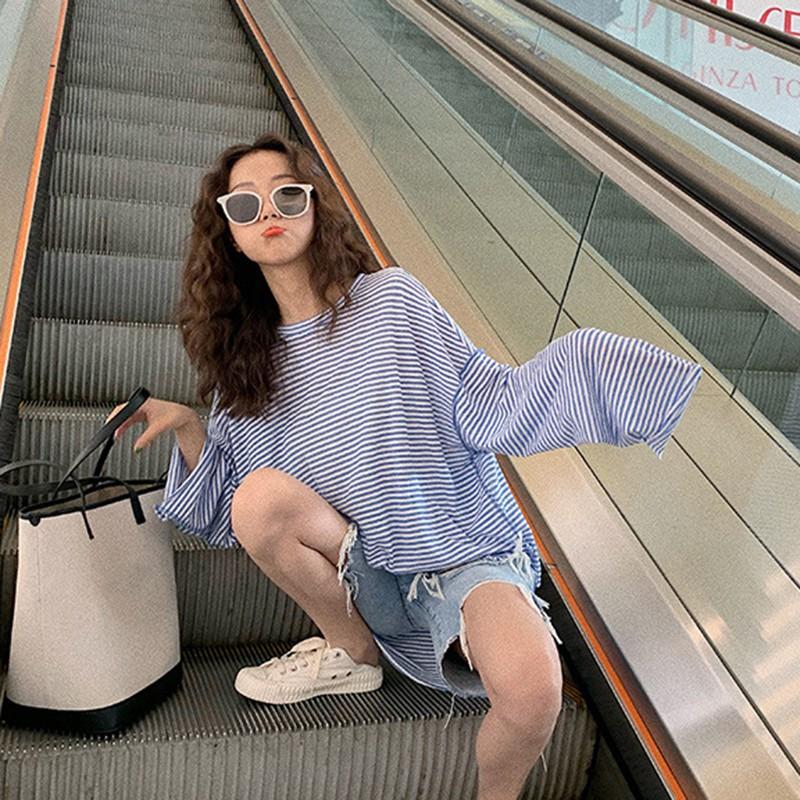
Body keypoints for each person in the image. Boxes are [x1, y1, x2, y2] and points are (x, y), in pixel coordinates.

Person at [105, 132, 703, 800]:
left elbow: (482, 398)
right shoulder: (247, 369)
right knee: (258, 499)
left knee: (534, 694)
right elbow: (227, 513)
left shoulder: (392, 302)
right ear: (232, 236)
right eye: (244, 205)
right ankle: (352, 651)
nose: (268, 211)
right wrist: (190, 426)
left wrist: (590, 365)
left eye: (288, 195)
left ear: (315, 207)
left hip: (463, 555)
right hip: (365, 573)